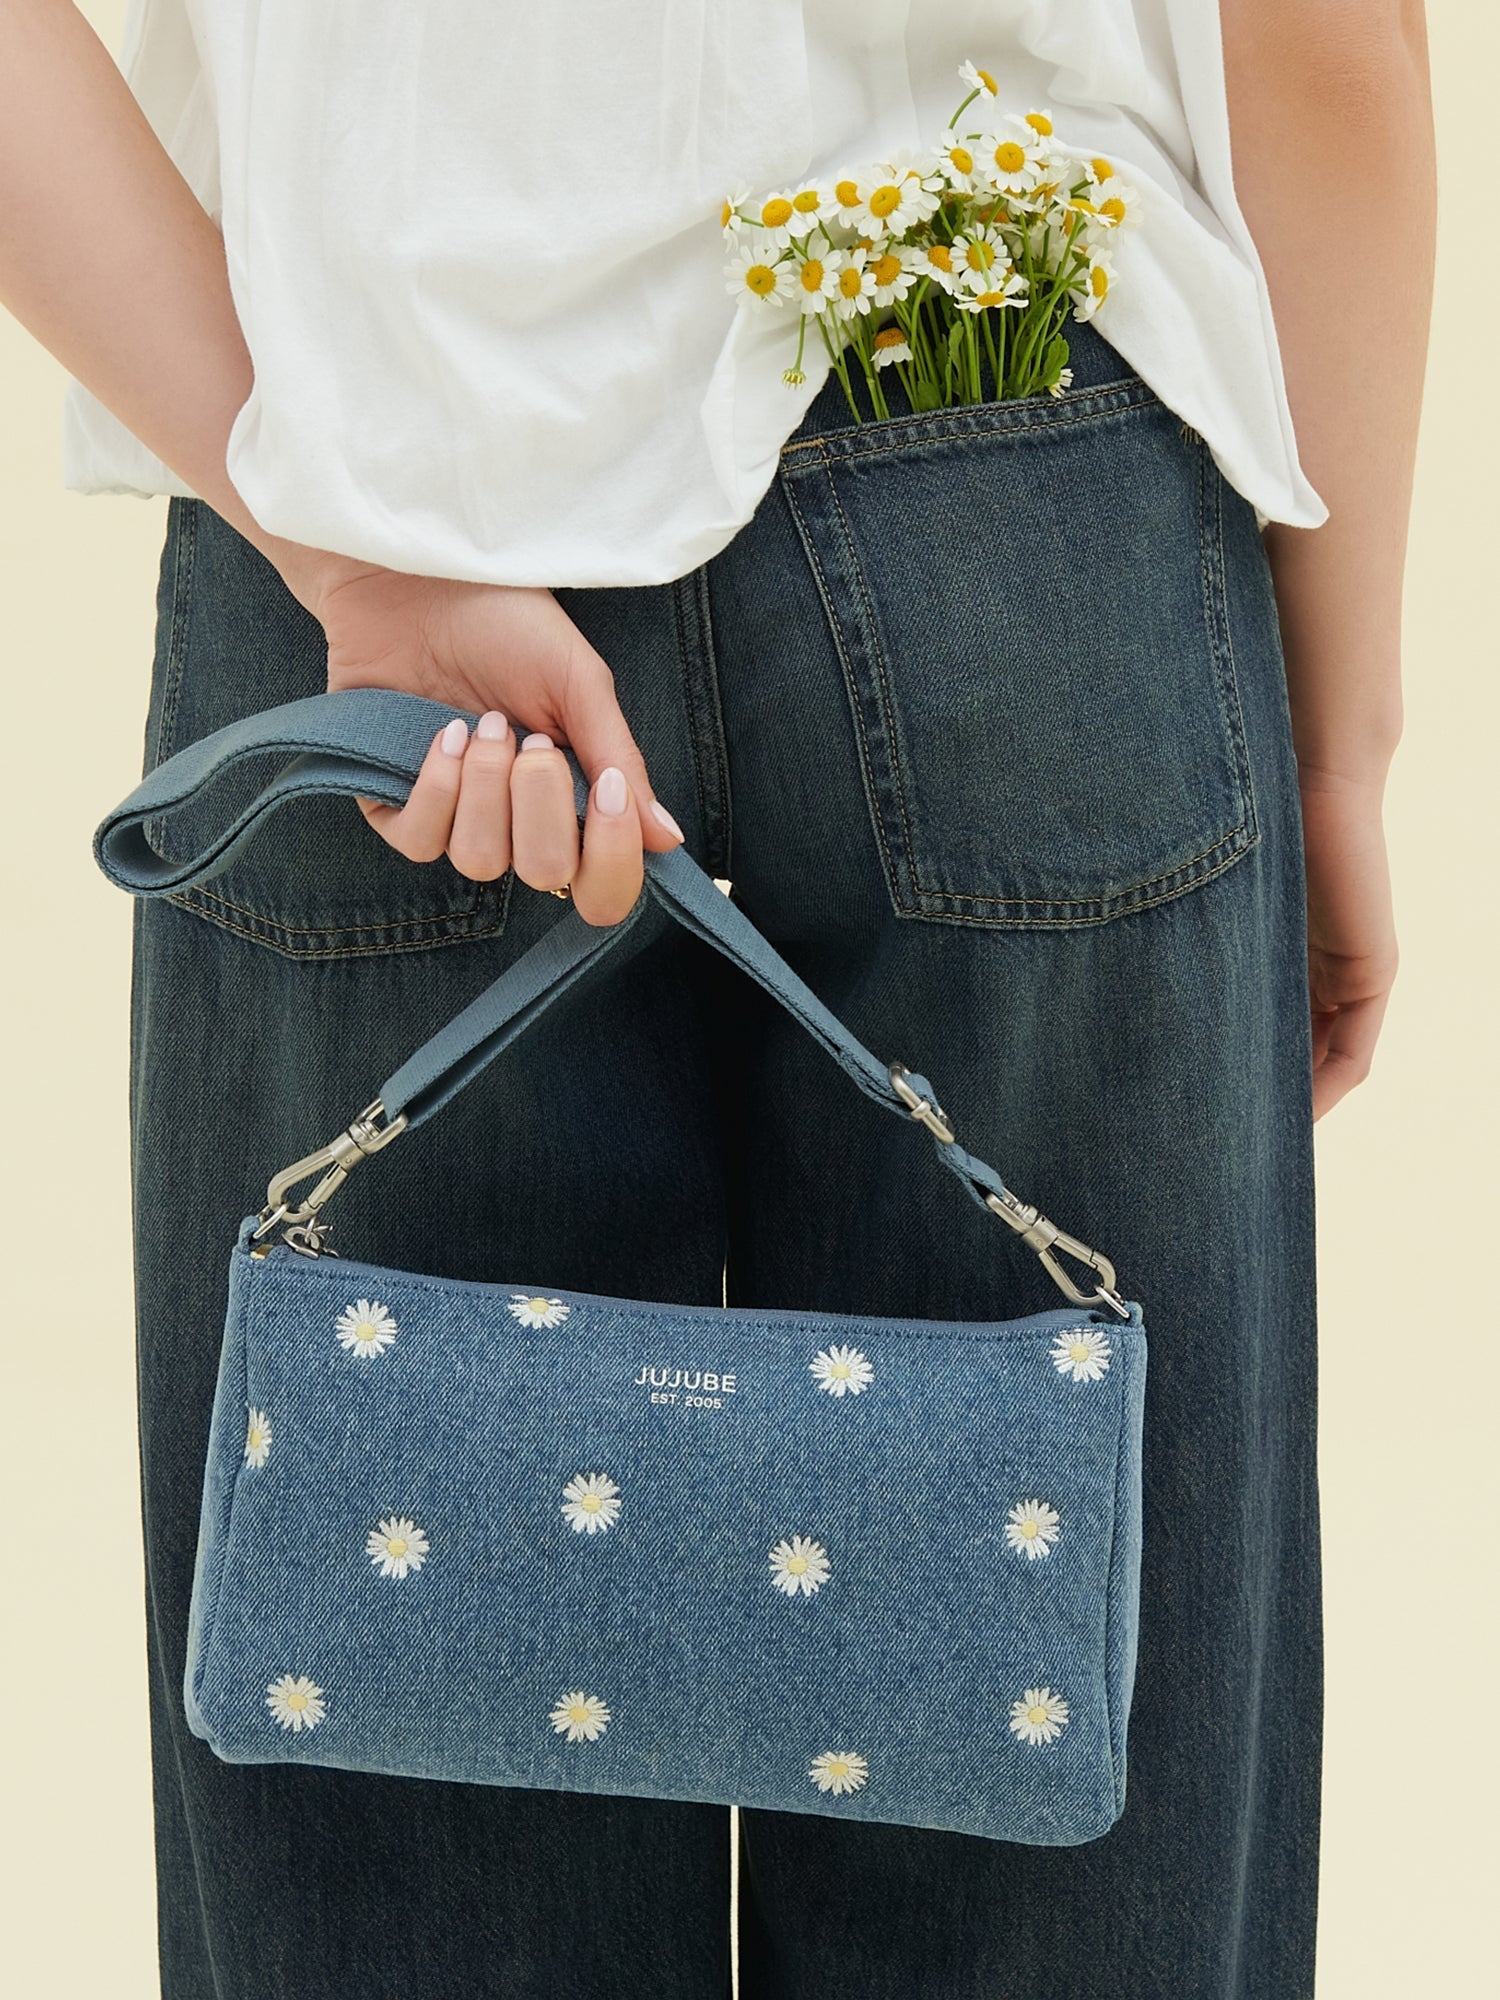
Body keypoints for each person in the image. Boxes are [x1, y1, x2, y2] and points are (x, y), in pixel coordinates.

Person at [0, 3, 1432, 1995]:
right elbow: (1318, 35)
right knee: (1074, 1816)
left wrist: (338, 551)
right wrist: (1342, 735)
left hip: (359, 564)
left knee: (388, 1798)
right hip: (1013, 517)